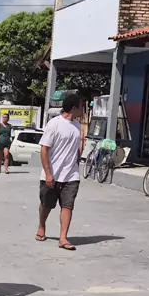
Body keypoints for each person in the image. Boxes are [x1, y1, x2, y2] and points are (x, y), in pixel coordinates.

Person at [36, 93, 82, 251]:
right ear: (74, 108)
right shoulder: (54, 124)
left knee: (68, 205)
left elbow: (75, 149)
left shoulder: (77, 125)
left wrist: (77, 163)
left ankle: (63, 238)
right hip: (52, 174)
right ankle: (41, 225)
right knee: (46, 204)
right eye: (81, 107)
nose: (83, 110)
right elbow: (44, 149)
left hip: (71, 175)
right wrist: (48, 173)